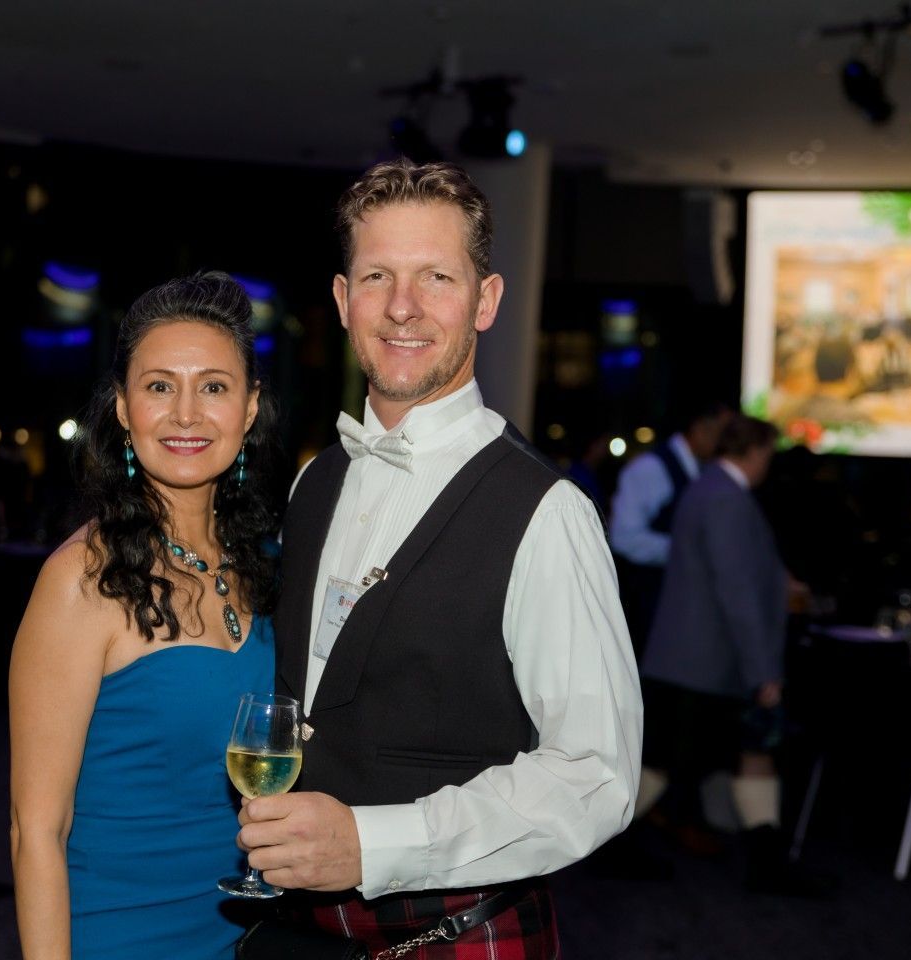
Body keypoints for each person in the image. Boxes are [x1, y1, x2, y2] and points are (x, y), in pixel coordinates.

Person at [238, 160, 641, 957]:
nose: (402, 307)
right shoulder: (318, 479)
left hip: (452, 936)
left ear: (485, 302)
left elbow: (596, 776)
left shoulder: (547, 513)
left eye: (437, 277)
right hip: (302, 933)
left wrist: (378, 843)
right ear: (342, 300)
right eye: (377, 275)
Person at [9, 273, 282, 960]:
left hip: (250, 937)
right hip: (123, 935)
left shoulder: (261, 564)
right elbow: (36, 831)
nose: (186, 414)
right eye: (160, 386)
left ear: (249, 409)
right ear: (125, 410)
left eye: (214, 387)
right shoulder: (82, 579)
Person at [638, 415, 829, 896]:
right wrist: (764, 668)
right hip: (706, 661)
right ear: (757, 451)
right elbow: (736, 589)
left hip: (692, 658)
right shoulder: (725, 498)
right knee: (667, 760)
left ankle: (767, 861)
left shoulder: (708, 489)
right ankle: (603, 847)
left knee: (742, 753)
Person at [609, 398, 731, 659]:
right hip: (646, 605)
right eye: (722, 434)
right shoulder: (650, 469)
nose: (725, 444)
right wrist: (685, 549)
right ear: (699, 428)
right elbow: (623, 537)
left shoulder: (705, 469)